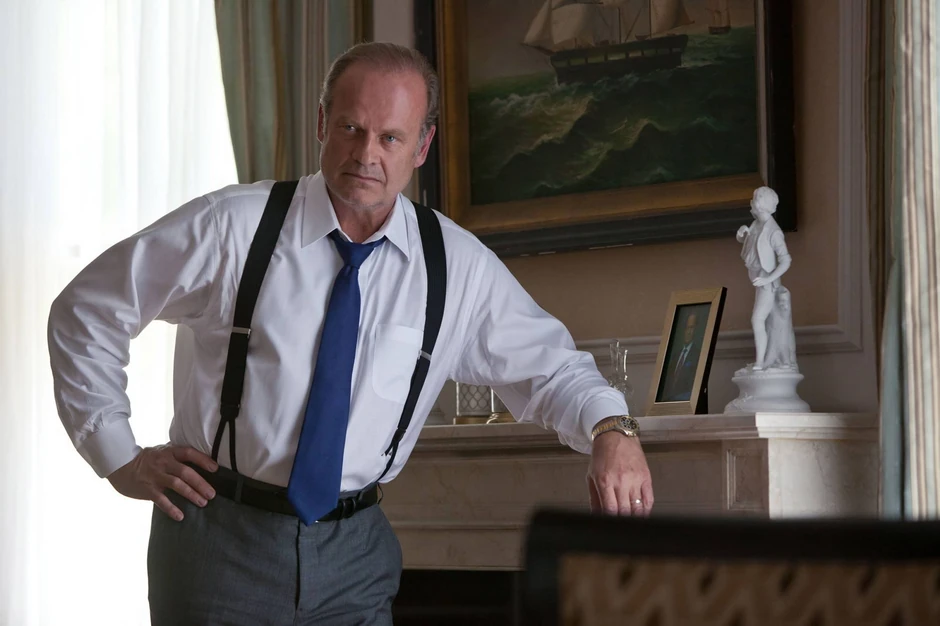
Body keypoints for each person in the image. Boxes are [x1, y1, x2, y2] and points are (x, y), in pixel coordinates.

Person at [47, 42, 653, 625]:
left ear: (422, 146)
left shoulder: (455, 265)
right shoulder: (234, 227)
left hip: (356, 556)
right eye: (351, 128)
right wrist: (119, 458)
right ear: (321, 123)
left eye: (390, 137)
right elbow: (87, 308)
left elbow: (552, 368)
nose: (367, 154)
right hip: (219, 540)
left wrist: (612, 430)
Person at [736, 186, 792, 370]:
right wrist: (742, 235)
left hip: (767, 282)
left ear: (761, 205)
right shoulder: (756, 224)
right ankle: (774, 358)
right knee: (771, 321)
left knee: (758, 319)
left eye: (755, 199)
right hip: (757, 278)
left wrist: (768, 280)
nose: (752, 203)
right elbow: (753, 245)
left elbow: (786, 260)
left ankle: (761, 362)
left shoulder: (773, 231)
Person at [662, 311, 701, 401]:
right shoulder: (675, 356)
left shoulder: (698, 355)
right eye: (686, 328)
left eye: (691, 328)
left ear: (696, 329)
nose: (688, 332)